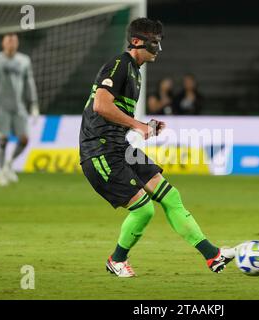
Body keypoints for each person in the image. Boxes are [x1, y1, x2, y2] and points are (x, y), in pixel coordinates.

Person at [79, 18, 235, 278]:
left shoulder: (135, 72)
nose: (158, 48)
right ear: (137, 41)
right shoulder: (118, 65)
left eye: (160, 42)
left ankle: (213, 255)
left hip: (120, 147)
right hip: (99, 152)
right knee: (144, 209)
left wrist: (143, 126)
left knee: (170, 196)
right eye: (154, 42)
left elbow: (114, 115)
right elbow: (101, 106)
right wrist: (138, 126)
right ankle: (116, 260)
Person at [0, 33, 39, 186]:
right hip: (1, 107)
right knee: (3, 139)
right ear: (3, 43)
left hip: (19, 107)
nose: (11, 43)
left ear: (17, 43)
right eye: (8, 40)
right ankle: (0, 172)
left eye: (14, 40)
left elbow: (29, 83)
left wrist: (34, 104)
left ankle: (9, 164)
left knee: (25, 139)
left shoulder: (24, 60)